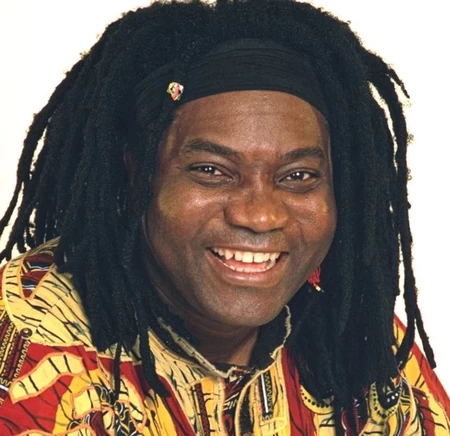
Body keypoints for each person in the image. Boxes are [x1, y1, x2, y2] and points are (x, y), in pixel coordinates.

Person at [0, 0, 448, 434]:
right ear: (137, 175)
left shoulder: (354, 336)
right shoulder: (33, 345)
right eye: (211, 171)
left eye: (298, 176)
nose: (260, 215)